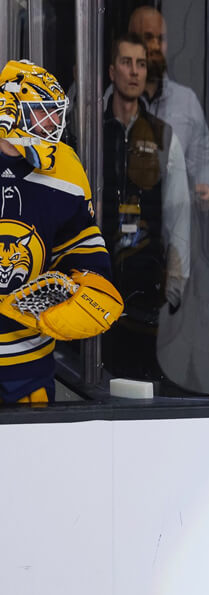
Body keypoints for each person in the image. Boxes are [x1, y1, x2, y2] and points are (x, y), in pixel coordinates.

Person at [0, 60, 122, 403]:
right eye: (43, 112)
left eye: (55, 113)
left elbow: (83, 247)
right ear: (10, 110)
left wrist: (91, 286)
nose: (54, 122)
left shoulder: (65, 168)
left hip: (30, 370)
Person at [100, 33, 192, 382]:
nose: (135, 72)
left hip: (146, 292)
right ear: (112, 70)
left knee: (143, 387)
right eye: (126, 63)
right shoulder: (87, 128)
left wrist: (175, 287)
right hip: (95, 282)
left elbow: (180, 215)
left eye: (141, 64)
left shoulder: (164, 136)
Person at [128, 6, 209, 212]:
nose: (154, 45)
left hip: (173, 226)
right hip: (123, 223)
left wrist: (205, 183)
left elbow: (207, 162)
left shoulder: (186, 100)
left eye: (160, 39)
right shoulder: (111, 100)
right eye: (147, 37)